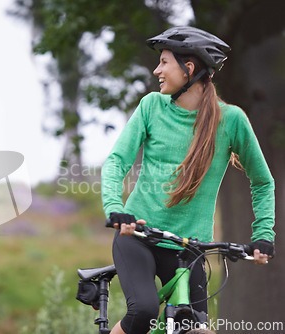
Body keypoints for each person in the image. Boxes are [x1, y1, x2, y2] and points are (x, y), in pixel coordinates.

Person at [101, 27, 275, 334]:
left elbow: (262, 181)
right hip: (139, 236)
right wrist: (116, 207)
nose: (157, 70)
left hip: (189, 249)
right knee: (142, 312)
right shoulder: (151, 106)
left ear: (188, 68)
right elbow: (117, 162)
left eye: (164, 62)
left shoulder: (231, 120)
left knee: (194, 328)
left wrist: (263, 234)